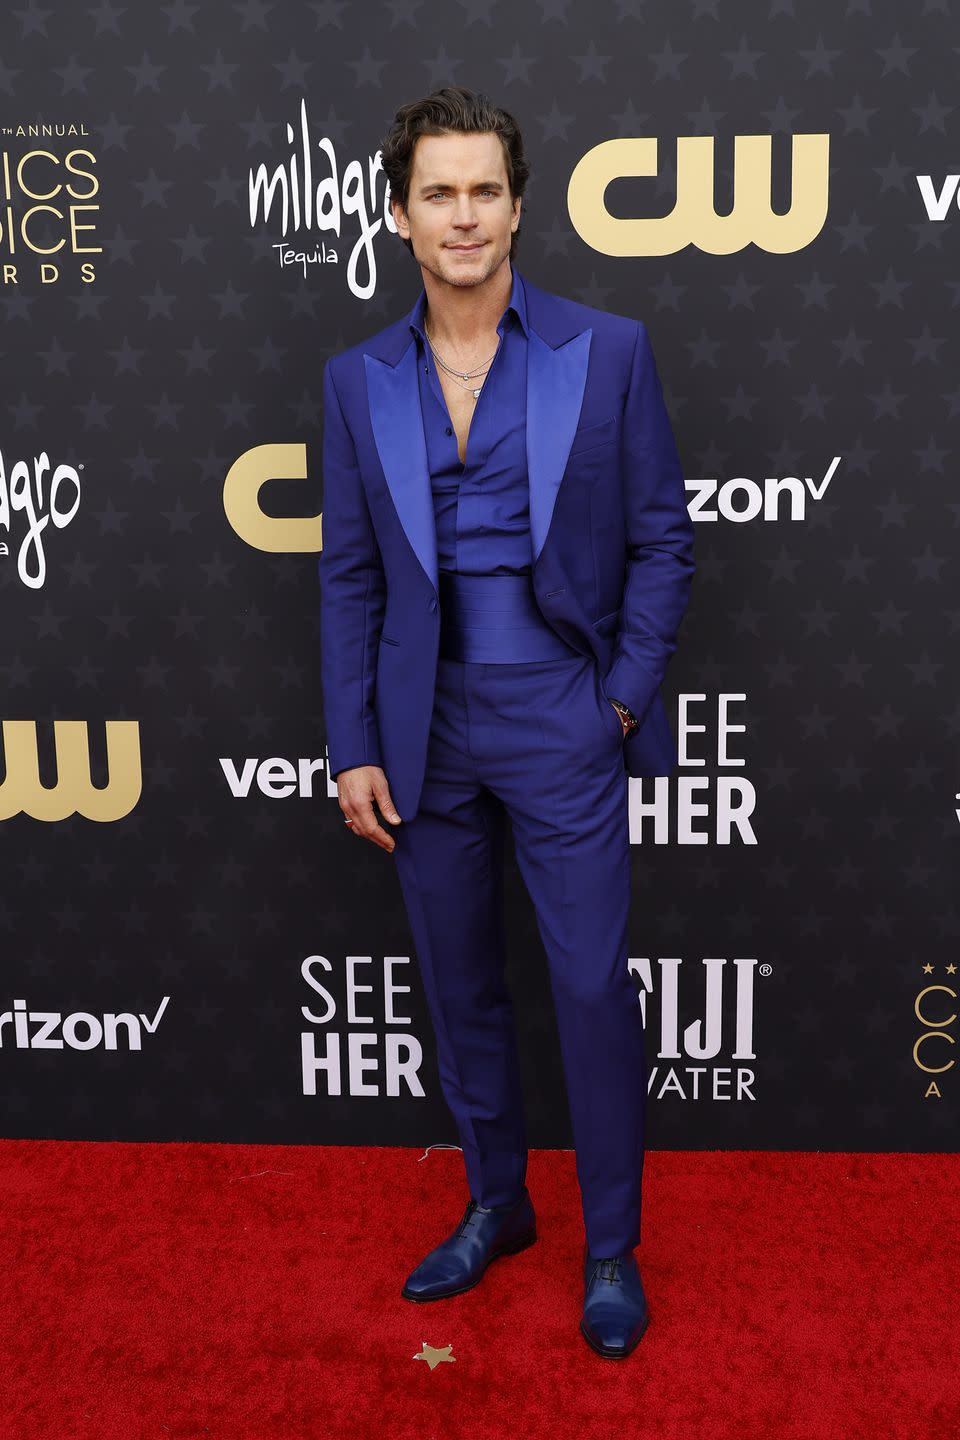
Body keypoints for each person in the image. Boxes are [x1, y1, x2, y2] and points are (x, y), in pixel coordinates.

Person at [318, 85, 695, 1359]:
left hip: (562, 714)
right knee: (461, 985)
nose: (464, 214)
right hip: (423, 731)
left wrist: (619, 704)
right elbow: (351, 578)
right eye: (439, 192)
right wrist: (354, 742)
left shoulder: (608, 351)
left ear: (519, 206)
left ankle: (610, 1248)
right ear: (400, 215)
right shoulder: (355, 379)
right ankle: (496, 1205)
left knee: (588, 987)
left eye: (485, 190)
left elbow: (662, 547)